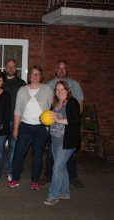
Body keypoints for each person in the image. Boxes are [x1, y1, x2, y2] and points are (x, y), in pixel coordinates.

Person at [40, 60, 85, 188]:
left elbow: (80, 102)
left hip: (68, 127)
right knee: (51, 153)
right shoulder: (49, 85)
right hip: (54, 127)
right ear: (55, 70)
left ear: (67, 69)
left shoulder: (74, 84)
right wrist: (44, 119)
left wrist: (75, 120)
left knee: (69, 155)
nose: (61, 71)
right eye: (59, 69)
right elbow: (49, 105)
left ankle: (73, 177)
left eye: (63, 68)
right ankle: (48, 175)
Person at [8, 65, 53, 190]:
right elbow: (17, 110)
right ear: (29, 76)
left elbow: (51, 107)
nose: (35, 76)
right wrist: (16, 128)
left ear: (41, 76)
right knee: (18, 154)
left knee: (37, 155)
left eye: (38, 74)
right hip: (25, 127)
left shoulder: (47, 89)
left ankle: (35, 180)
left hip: (40, 128)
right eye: (33, 73)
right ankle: (15, 178)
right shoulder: (22, 90)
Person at [44, 81, 81, 205]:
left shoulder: (72, 102)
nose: (60, 92)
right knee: (62, 167)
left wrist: (59, 119)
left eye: (62, 89)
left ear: (67, 90)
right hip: (55, 140)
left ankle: (53, 195)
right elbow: (49, 118)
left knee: (57, 168)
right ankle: (65, 192)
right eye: (57, 89)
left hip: (67, 142)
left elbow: (76, 120)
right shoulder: (55, 103)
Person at [3, 59, 26, 181]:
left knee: (13, 147)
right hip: (1, 121)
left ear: (16, 68)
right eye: (9, 66)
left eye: (13, 67)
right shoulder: (0, 82)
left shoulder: (22, 84)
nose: (11, 69)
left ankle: (9, 171)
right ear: (5, 68)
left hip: (16, 121)